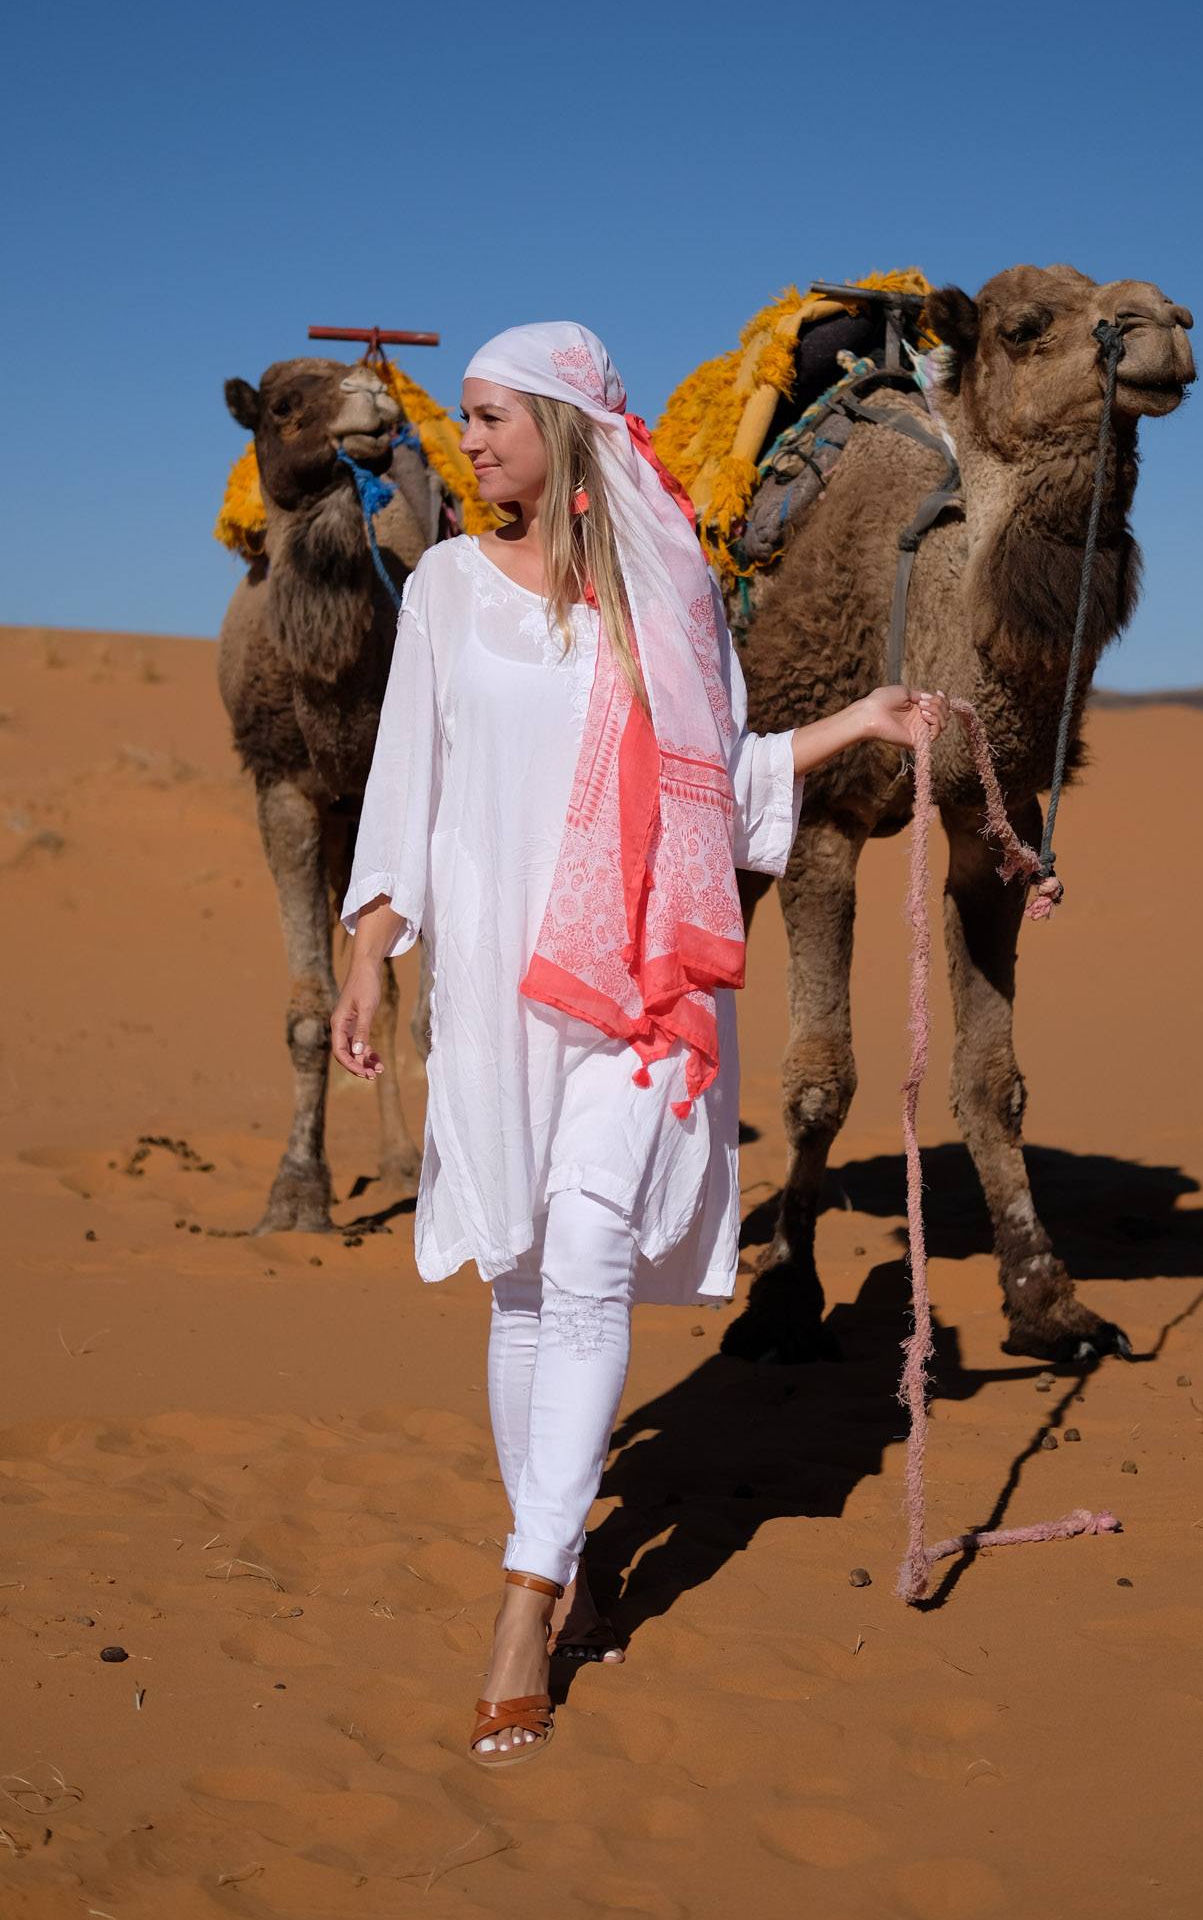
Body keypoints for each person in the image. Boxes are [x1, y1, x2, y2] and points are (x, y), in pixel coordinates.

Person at [331, 322, 947, 1766]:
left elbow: (718, 777)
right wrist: (368, 952)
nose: (470, 441)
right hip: (493, 976)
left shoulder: (670, 594)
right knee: (527, 1282)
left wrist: (858, 716)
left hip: (641, 982)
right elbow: (404, 778)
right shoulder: (442, 591)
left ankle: (524, 1595)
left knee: (593, 1240)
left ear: (563, 425)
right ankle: (565, 1539)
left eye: (493, 418)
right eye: (466, 418)